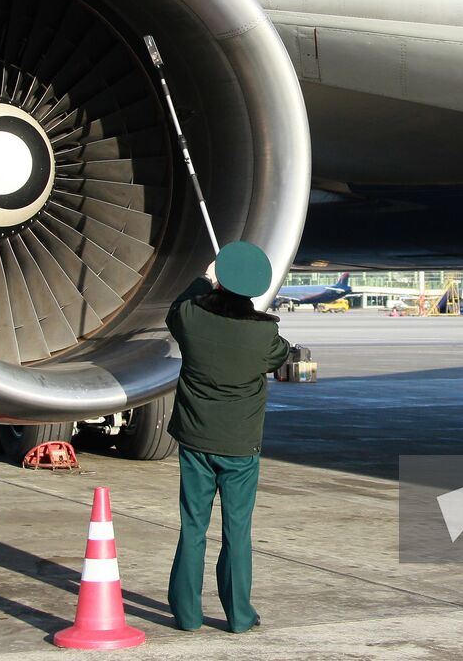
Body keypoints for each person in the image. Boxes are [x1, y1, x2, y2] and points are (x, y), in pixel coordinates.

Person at [165, 241, 293, 633]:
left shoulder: (190, 318)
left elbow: (179, 307)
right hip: (240, 448)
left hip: (196, 442)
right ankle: (239, 616)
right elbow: (281, 354)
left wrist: (205, 277)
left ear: (220, 282)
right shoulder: (263, 336)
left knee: (192, 528)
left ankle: (187, 615)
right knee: (237, 532)